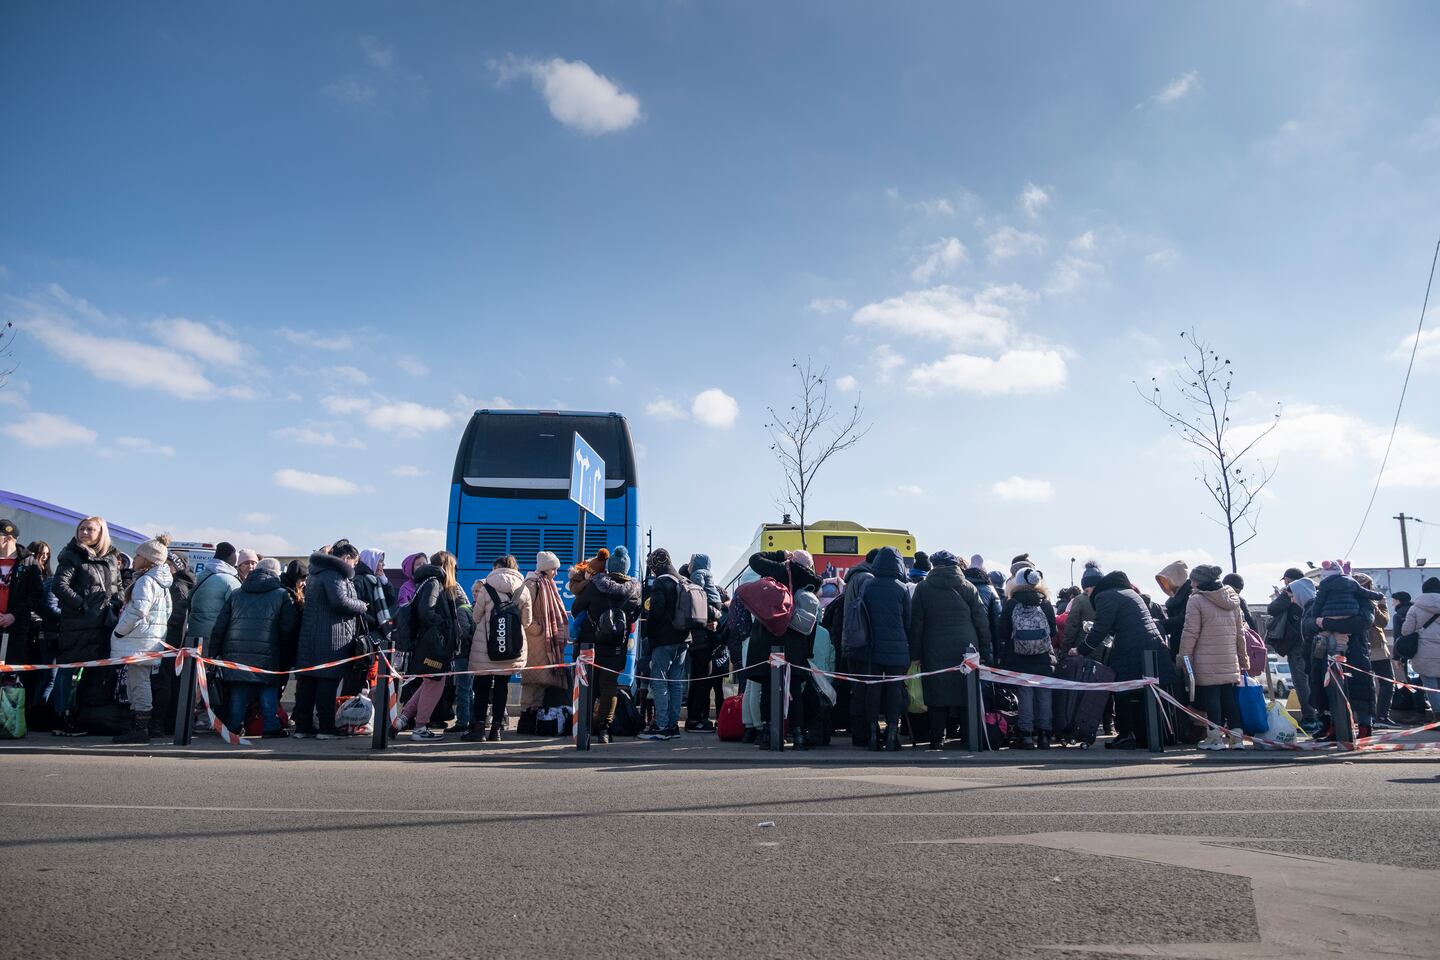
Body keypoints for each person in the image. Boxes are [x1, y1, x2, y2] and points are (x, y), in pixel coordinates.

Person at [1078, 570, 1175, 749]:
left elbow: (1100, 628)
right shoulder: (1127, 592)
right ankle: (1147, 735)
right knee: (1144, 693)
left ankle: (1127, 735)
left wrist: (1080, 650)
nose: (1086, 594)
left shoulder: (1105, 596)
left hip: (1132, 650)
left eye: (1087, 590)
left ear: (1093, 587)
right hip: (1150, 648)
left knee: (1123, 691)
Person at [741, 547, 823, 748]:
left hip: (770, 641)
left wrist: (780, 555)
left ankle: (768, 734)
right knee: (794, 689)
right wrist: (808, 651)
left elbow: (755, 559)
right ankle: (798, 735)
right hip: (795, 644)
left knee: (769, 688)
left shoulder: (778, 571)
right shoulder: (813, 582)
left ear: (791, 560)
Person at [908, 550, 990, 750]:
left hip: (933, 645)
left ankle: (937, 739)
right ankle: (968, 738)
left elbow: (916, 623)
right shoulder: (968, 587)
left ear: (934, 565)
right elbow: (982, 621)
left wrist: (915, 655)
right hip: (967, 646)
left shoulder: (923, 588)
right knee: (966, 690)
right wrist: (985, 651)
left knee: (936, 692)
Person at [210, 557, 299, 738]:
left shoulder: (236, 593)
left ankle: (234, 727)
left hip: (235, 653)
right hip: (268, 651)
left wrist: (214, 652)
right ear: (276, 573)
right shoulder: (281, 594)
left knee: (239, 689)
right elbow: (288, 627)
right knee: (267, 688)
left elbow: (220, 626)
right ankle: (271, 727)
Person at [51, 516, 122, 735]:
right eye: (81, 528)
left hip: (102, 626)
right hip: (77, 626)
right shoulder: (72, 555)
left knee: (93, 675)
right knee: (67, 673)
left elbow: (117, 586)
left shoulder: (111, 558)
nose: (84, 532)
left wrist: (116, 604)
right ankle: (61, 718)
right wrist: (83, 606)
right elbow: (59, 586)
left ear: (101, 533)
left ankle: (83, 717)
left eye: (89, 529)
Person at [293, 542, 369, 739]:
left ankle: (303, 727)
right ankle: (326, 728)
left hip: (311, 638)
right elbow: (339, 601)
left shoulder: (316, 573)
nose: (354, 566)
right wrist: (361, 605)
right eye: (354, 562)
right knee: (327, 683)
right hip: (331, 639)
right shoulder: (334, 574)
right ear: (346, 559)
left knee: (308, 684)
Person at [570, 546, 641, 743]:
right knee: (610, 687)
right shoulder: (634, 591)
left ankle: (585, 727)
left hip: (590, 644)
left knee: (588, 686)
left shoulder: (596, 586)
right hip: (616, 647)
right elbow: (635, 616)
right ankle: (604, 729)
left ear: (609, 567)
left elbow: (576, 608)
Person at [108, 535, 174, 744]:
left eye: (137, 555)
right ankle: (140, 724)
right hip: (149, 639)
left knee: (138, 683)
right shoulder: (162, 582)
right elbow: (169, 611)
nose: (134, 559)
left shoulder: (146, 580)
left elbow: (138, 610)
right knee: (141, 680)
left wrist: (120, 631)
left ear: (148, 560)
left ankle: (140, 727)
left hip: (137, 640)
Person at [395, 552, 467, 740]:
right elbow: (426, 611)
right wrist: (444, 624)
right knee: (435, 682)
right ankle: (420, 727)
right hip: (433, 644)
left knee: (429, 682)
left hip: (430, 642)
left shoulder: (428, 582)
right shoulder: (434, 583)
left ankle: (402, 719)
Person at [1176, 564, 1248, 750]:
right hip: (1229, 658)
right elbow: (1240, 632)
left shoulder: (1196, 600)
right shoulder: (1232, 599)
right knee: (1229, 698)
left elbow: (1190, 632)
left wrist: (1184, 657)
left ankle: (1214, 738)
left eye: (1193, 580)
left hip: (1206, 659)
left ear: (1199, 581)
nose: (1191, 584)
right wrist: (1243, 658)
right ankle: (1237, 738)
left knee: (1212, 700)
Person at [1311, 559, 1382, 738]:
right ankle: (1336, 727)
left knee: (1361, 690)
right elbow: (1309, 623)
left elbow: (1362, 623)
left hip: (1356, 652)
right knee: (1332, 692)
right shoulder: (1323, 596)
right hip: (1330, 655)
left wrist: (1326, 622)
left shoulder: (1363, 601)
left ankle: (1365, 727)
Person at [463, 554, 530, 742]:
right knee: (502, 687)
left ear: (496, 568)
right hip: (511, 648)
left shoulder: (486, 587)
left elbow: (476, 617)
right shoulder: (523, 589)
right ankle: (496, 730)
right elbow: (527, 621)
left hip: (485, 647)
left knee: (482, 686)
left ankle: (478, 730)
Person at [850, 546, 910, 751]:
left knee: (872, 690)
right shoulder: (902, 588)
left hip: (872, 647)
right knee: (895, 690)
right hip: (898, 649)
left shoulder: (868, 585)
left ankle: (873, 734)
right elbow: (908, 622)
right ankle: (892, 735)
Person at [998, 566, 1058, 749]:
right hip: (1043, 658)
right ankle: (1045, 736)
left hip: (1020, 658)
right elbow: (1053, 631)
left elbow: (1002, 632)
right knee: (1044, 695)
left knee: (1025, 695)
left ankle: (1026, 737)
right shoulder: (1045, 603)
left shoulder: (1012, 603)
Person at [517, 551, 570, 734]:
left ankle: (533, 719)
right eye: (554, 568)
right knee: (532, 681)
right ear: (547, 568)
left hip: (544, 640)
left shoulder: (546, 583)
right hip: (535, 639)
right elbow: (522, 609)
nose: (556, 572)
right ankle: (525, 721)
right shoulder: (532, 584)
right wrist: (535, 628)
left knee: (541, 681)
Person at [641, 548, 691, 740]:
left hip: (664, 639)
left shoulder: (661, 582)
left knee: (659, 681)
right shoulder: (683, 579)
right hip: (683, 639)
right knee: (676, 684)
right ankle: (673, 726)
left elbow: (656, 613)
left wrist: (650, 636)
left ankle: (661, 727)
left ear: (656, 565)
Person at [8, 536, 58, 716]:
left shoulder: (49, 576)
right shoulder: (25, 568)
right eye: (40, 553)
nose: (44, 557)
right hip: (24, 625)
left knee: (38, 674)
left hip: (39, 628)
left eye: (47, 554)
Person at [1266, 568, 1317, 732]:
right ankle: (1322, 717)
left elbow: (1272, 609)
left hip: (1297, 644)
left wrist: (1284, 594)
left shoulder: (1291, 592)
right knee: (1313, 679)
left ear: (1289, 580)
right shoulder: (1316, 592)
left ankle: (1310, 718)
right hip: (1314, 641)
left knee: (1301, 681)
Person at [684, 552, 725, 731]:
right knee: (702, 678)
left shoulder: (697, 575)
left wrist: (712, 615)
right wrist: (716, 615)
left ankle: (696, 718)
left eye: (691, 561)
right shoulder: (708, 575)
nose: (689, 564)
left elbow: (697, 597)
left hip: (701, 639)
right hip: (706, 638)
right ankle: (696, 718)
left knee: (699, 679)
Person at [349, 548, 393, 697]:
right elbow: (360, 609)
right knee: (362, 677)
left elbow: (390, 601)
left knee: (372, 676)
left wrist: (385, 582)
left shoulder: (377, 580)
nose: (382, 565)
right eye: (380, 561)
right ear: (371, 561)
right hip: (366, 635)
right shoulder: (360, 580)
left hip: (376, 635)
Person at [188, 542, 241, 649]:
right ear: (232, 558)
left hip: (192, 633)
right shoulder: (230, 581)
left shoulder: (199, 576)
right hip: (214, 637)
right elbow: (238, 611)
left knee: (192, 664)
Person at [1402, 578, 1440, 715]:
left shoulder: (1415, 608)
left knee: (1430, 682)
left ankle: (1438, 715)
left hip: (1424, 651)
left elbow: (1406, 631)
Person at [963, 556, 1003, 655]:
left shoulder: (958, 589)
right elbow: (997, 623)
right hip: (986, 643)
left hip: (963, 643)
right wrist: (998, 653)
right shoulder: (990, 590)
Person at [1063, 562, 1104, 654]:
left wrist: (1065, 651)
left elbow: (1071, 627)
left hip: (1083, 651)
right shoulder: (1110, 599)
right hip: (1106, 654)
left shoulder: (1079, 600)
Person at [1155, 560, 1191, 658]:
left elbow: (1184, 619)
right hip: (1178, 644)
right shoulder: (1178, 595)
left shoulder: (1190, 594)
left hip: (1187, 646)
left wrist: (1158, 625)